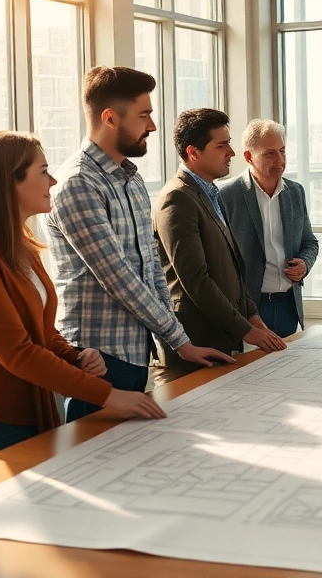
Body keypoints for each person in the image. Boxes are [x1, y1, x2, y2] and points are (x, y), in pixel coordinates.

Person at [0, 131, 173, 465]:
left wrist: (74, 356)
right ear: (8, 182)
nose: (53, 180)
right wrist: (111, 395)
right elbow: (18, 352)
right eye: (42, 172)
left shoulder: (20, 246)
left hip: (25, 405)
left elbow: (39, 330)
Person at [46, 67, 233, 421]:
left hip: (136, 351)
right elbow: (120, 279)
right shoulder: (78, 184)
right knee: (91, 461)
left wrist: (174, 341)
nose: (153, 126)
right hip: (96, 358)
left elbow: (150, 269)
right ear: (110, 118)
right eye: (144, 115)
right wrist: (180, 341)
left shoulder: (131, 180)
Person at [156, 109, 286, 380]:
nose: (232, 152)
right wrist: (247, 330)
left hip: (220, 339)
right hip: (195, 346)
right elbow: (197, 281)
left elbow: (232, 270)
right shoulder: (177, 199)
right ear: (193, 152)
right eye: (222, 145)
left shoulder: (210, 193)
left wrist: (252, 317)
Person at [219, 119, 320, 337]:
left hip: (288, 307)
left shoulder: (295, 192)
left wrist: (305, 264)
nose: (280, 160)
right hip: (249, 309)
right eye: (270, 153)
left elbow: (309, 242)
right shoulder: (226, 196)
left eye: (282, 151)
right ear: (248, 157)